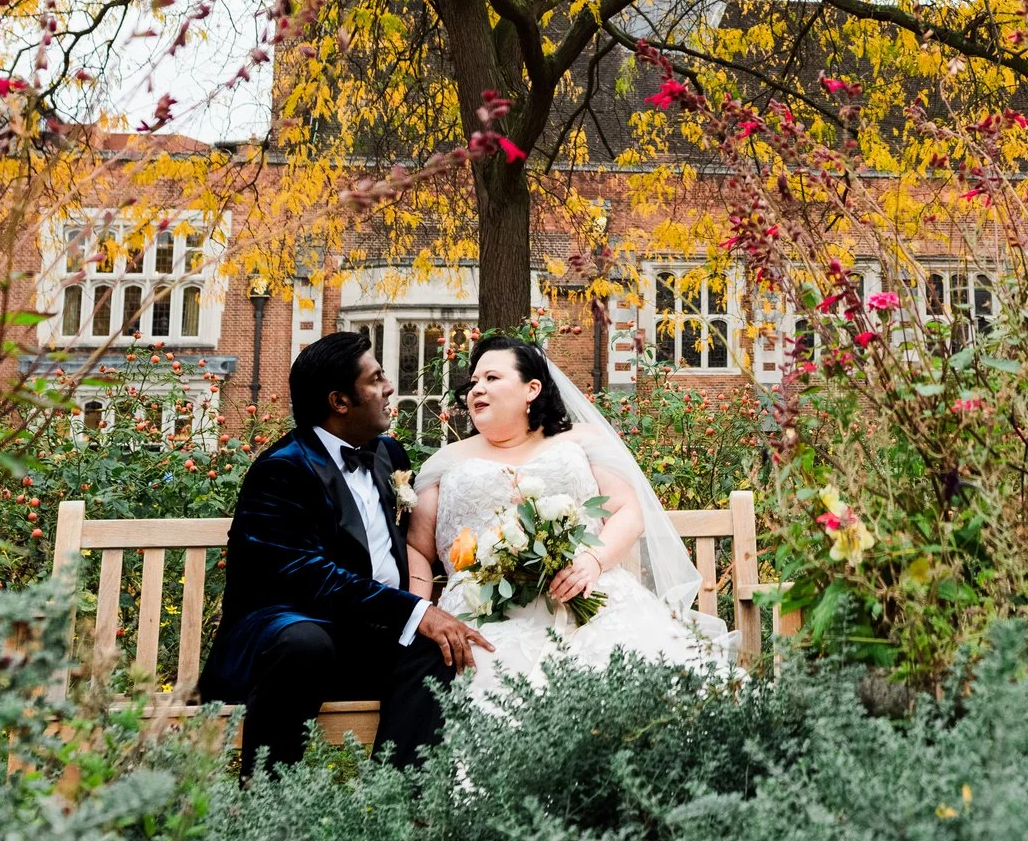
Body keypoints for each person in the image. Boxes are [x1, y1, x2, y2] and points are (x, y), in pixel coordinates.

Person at [197, 330, 494, 777]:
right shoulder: (281, 470)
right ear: (339, 402)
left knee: (436, 649)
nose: (389, 387)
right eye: (375, 379)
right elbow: (309, 577)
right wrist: (416, 610)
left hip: (363, 639)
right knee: (307, 644)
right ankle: (268, 806)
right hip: (286, 641)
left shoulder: (386, 453)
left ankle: (395, 802)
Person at [407, 334, 724, 703]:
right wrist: (422, 614)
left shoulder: (580, 441)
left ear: (532, 389)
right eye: (474, 381)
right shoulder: (447, 462)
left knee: (636, 673)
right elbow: (418, 547)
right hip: (483, 613)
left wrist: (592, 562)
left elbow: (628, 512)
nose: (477, 388)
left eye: (492, 378)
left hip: (586, 595)